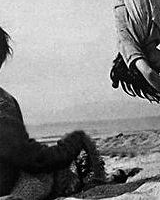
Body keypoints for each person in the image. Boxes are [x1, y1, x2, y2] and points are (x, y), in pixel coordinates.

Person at [0, 27, 105, 199]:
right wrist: (69, 148)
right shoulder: (3, 103)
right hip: (7, 184)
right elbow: (29, 158)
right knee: (43, 177)